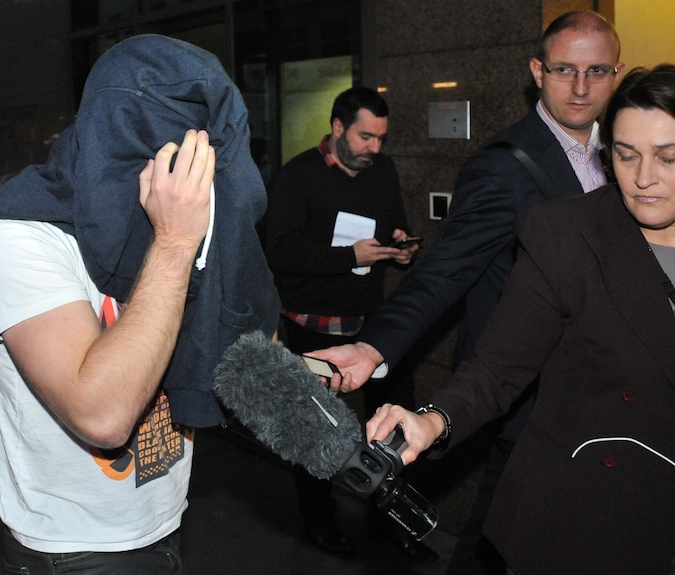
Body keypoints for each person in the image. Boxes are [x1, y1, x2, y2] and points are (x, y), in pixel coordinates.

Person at [0, 35, 280, 574]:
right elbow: (104, 416)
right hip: (71, 551)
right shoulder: (22, 238)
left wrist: (318, 369)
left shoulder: (167, 224)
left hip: (163, 524)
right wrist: (177, 244)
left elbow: (238, 348)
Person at [310, 11, 624, 573]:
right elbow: (444, 271)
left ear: (616, 72)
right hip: (527, 392)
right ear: (537, 71)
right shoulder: (506, 166)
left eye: (596, 70)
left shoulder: (626, 157)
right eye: (565, 70)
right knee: (498, 538)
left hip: (602, 391)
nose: (581, 87)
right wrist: (375, 347)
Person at [366, 63, 675, 575]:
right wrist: (430, 421)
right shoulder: (568, 234)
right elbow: (498, 368)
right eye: (625, 155)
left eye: (668, 157)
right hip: (591, 517)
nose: (643, 177)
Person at [262, 87, 421, 558]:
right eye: (366, 137)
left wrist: (401, 246)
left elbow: (394, 224)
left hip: (373, 325)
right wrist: (348, 255)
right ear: (337, 129)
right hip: (313, 325)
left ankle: (384, 519)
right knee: (317, 427)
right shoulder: (298, 176)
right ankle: (319, 521)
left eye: (381, 138)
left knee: (393, 424)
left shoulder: (383, 171)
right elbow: (280, 251)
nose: (375, 148)